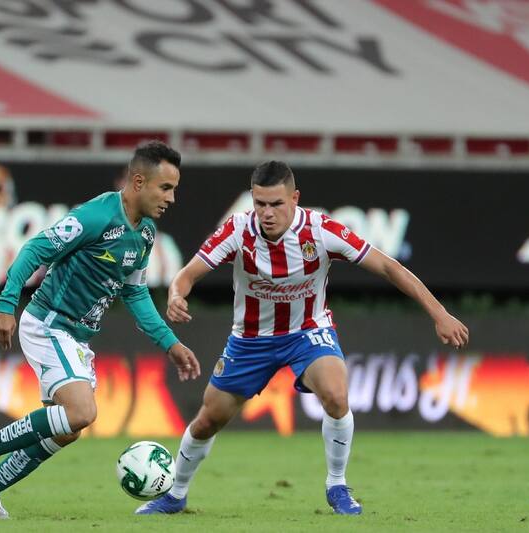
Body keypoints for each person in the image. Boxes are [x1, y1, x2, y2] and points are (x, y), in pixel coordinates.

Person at [136, 161, 469, 516]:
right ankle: (176, 494)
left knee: (336, 394)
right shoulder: (238, 230)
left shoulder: (321, 230)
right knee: (208, 420)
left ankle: (337, 486)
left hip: (308, 332)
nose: (267, 213)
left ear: (294, 198)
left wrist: (440, 314)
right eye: (260, 204)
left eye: (276, 204)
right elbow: (187, 274)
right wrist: (176, 295)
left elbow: (389, 266)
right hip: (250, 341)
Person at [0, 141, 201, 518]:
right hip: (49, 324)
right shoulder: (96, 216)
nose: (172, 198)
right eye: (165, 188)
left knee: (67, 429)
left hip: (76, 337)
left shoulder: (145, 233)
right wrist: (6, 303)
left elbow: (134, 293)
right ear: (139, 182)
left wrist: (170, 343)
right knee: (82, 411)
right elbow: (35, 249)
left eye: (175, 189)